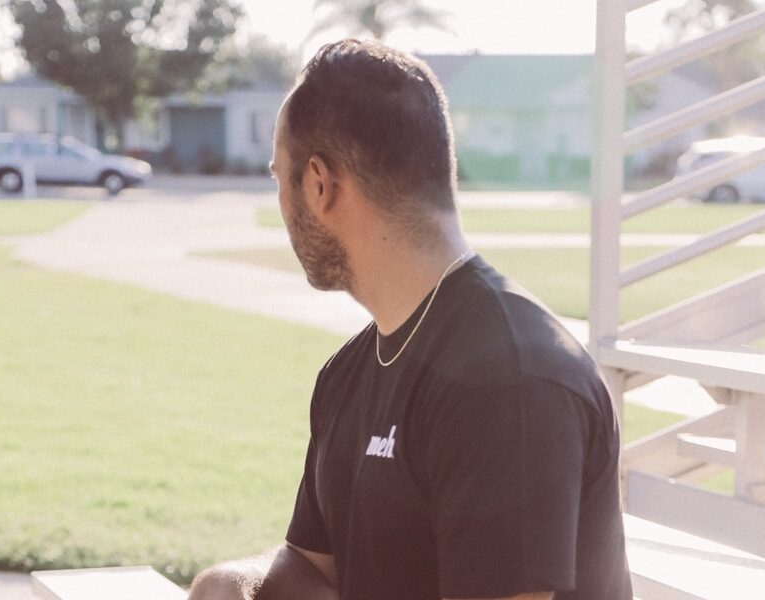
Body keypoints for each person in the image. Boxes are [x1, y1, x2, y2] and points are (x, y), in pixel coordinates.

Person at [189, 39, 632, 600]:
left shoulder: (510, 377)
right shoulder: (347, 373)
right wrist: (231, 586)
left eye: (280, 178)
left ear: (320, 185)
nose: (279, 201)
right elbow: (311, 571)